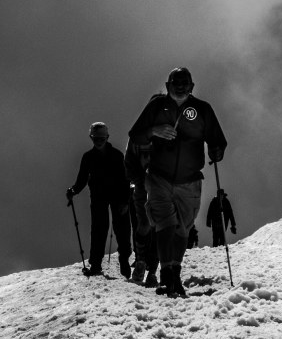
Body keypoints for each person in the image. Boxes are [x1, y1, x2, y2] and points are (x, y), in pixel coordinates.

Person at [127, 68, 227, 298]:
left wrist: (216, 151)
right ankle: (167, 275)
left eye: (184, 83)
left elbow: (217, 140)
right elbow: (136, 135)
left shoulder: (203, 109)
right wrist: (154, 130)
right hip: (159, 176)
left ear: (192, 86)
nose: (180, 86)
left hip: (190, 179)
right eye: (175, 82)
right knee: (165, 223)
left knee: (183, 228)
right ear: (167, 84)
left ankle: (174, 272)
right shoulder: (156, 106)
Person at [66, 122, 132, 278]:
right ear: (92, 138)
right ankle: (101, 264)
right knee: (102, 230)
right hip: (102, 197)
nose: (99, 141)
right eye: (96, 138)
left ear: (106, 137)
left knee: (114, 230)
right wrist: (74, 190)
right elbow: (81, 180)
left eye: (100, 138)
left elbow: (124, 180)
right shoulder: (111, 155)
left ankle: (119, 261)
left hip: (108, 197)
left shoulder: (99, 156)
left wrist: (125, 200)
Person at [124, 108, 159, 287]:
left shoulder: (166, 132)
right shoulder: (138, 136)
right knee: (146, 224)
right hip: (145, 186)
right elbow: (129, 162)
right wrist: (140, 180)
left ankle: (151, 269)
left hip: (160, 186)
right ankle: (142, 262)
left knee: (157, 226)